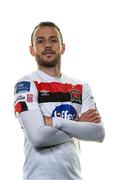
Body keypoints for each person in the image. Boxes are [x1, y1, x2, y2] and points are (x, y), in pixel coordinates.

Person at [14, 21, 105, 180]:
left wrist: (54, 122)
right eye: (40, 41)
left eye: (53, 40)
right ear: (32, 50)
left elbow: (98, 133)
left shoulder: (81, 87)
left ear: (63, 47)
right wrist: (78, 123)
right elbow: (38, 137)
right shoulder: (26, 84)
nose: (47, 45)